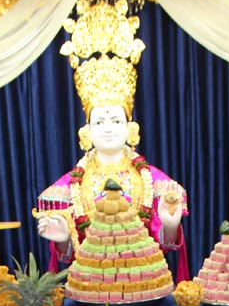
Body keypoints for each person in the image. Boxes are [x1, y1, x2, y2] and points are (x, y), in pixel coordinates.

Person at [36, 57, 189, 281]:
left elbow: (163, 246)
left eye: (116, 121)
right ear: (87, 131)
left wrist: (170, 226)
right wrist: (63, 240)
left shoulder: (155, 182)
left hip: (141, 283)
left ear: (130, 128)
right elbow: (68, 256)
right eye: (99, 122)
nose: (108, 129)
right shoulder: (68, 187)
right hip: (91, 285)